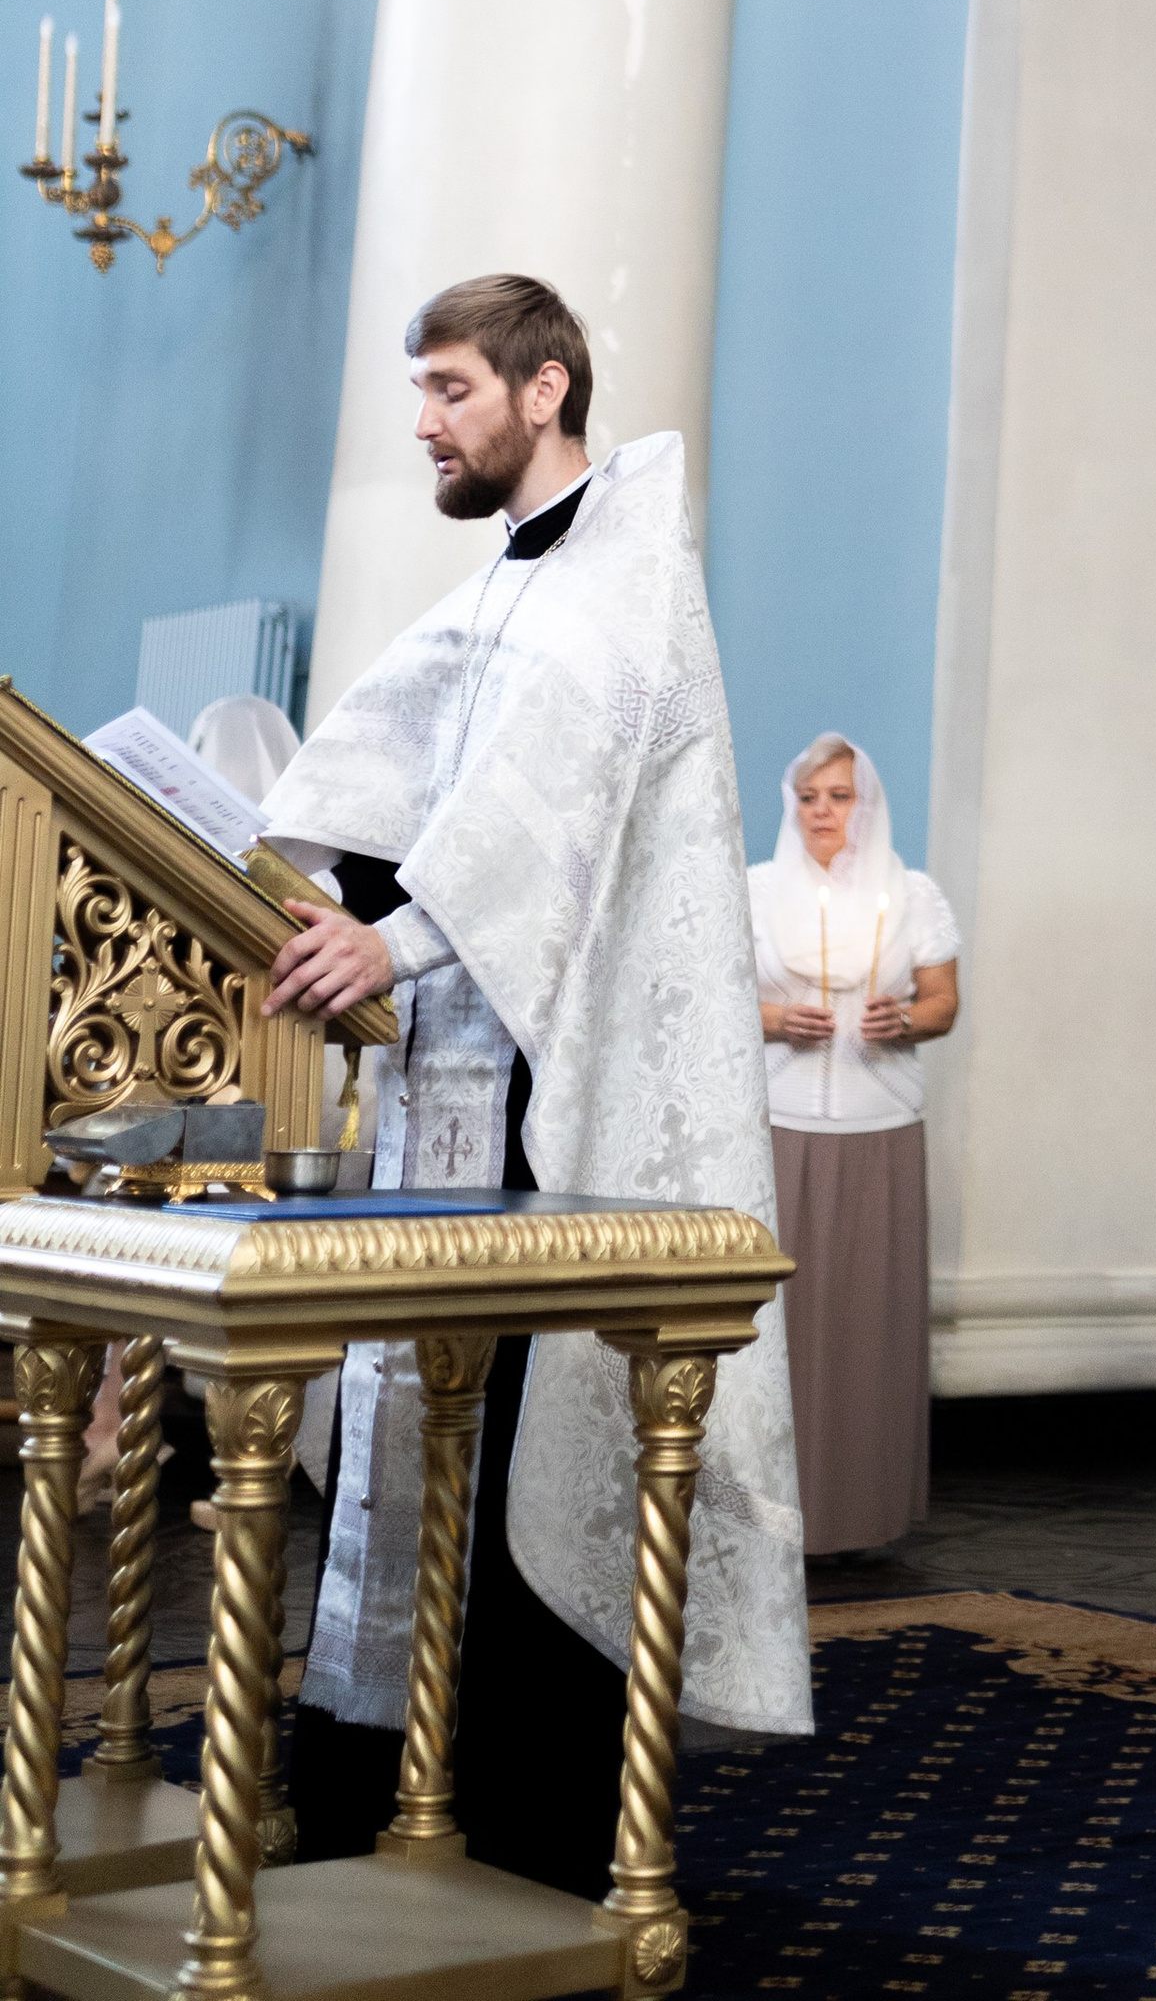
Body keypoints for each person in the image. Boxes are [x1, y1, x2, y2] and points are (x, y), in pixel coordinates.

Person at [259, 273, 810, 1896]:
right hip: (446, 1073)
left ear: (544, 389)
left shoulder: (621, 587)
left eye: (447, 392)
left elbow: (546, 821)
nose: (423, 425)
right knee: (411, 1450)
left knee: (518, 1451)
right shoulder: (500, 583)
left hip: (549, 1110)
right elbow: (400, 783)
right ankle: (377, 1790)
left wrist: (399, 938)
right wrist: (314, 893)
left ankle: (525, 1835)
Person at [750, 735, 960, 1557]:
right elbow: (707, 994)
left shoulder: (913, 894)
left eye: (840, 797)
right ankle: (760, 1519)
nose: (823, 813)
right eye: (809, 798)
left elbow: (942, 1002)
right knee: (775, 1326)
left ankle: (859, 1514)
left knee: (866, 1323)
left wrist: (905, 1018)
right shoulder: (756, 891)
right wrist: (773, 1019)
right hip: (780, 1123)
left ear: (867, 806)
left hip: (880, 1127)